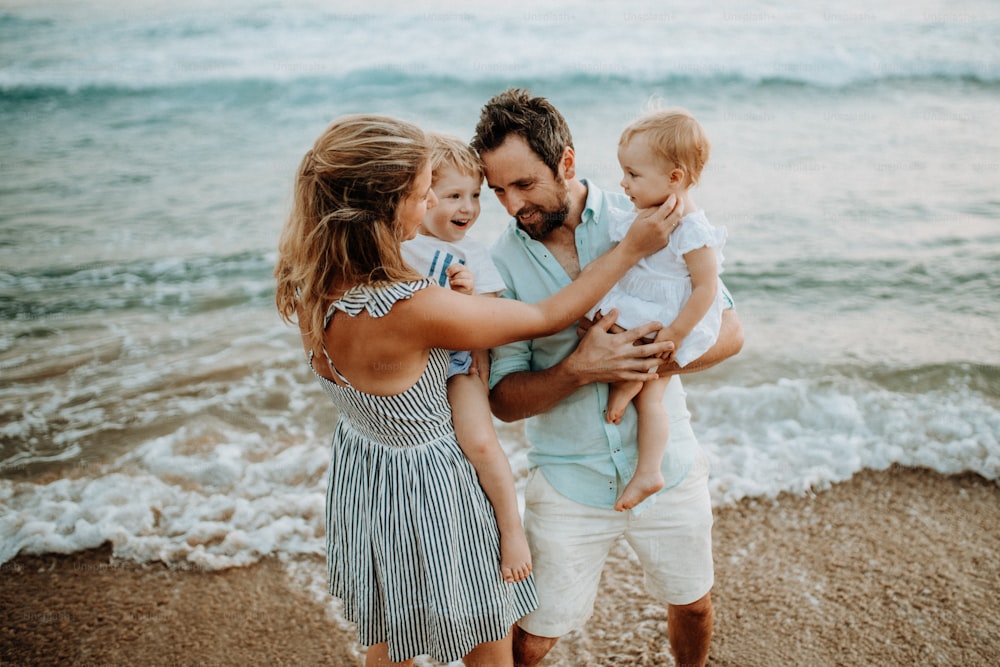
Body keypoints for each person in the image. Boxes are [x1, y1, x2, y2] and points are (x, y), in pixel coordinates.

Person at [274, 113, 683, 666]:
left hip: (367, 472)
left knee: (391, 632)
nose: (429, 208)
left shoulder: (310, 282)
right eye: (421, 195)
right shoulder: (411, 306)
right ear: (385, 204)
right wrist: (631, 250)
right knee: (486, 635)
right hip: (436, 485)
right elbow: (544, 314)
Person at [471, 88, 744, 667]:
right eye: (497, 190)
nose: (511, 204)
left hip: (667, 467)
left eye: (523, 184)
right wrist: (579, 370)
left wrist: (647, 362)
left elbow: (730, 331)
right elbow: (503, 400)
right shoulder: (499, 262)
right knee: (536, 637)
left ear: (566, 163)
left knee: (692, 604)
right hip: (569, 481)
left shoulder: (645, 213)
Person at [401, 132, 531, 584]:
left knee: (477, 441)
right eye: (454, 195)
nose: (469, 208)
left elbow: (492, 312)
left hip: (460, 365)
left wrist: (466, 293)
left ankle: (511, 530)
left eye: (475, 195)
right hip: (409, 368)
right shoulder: (398, 245)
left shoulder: (472, 252)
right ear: (421, 196)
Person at [586, 108, 728, 512]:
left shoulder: (692, 227)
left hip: (672, 317)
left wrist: (677, 334)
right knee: (602, 325)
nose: (622, 182)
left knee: (652, 395)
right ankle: (629, 385)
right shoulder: (647, 212)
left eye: (633, 175)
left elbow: (706, 287)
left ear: (674, 178)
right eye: (623, 173)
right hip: (645, 305)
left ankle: (648, 471)